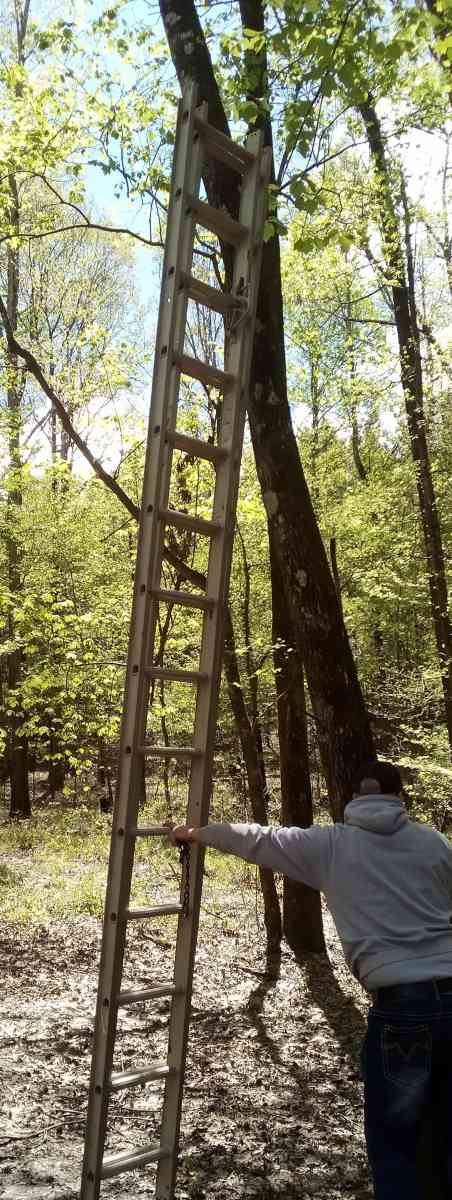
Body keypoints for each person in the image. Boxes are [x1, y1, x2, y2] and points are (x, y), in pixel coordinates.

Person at [168, 759, 452, 1200]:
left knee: (398, 1145)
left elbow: (259, 839)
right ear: (400, 797)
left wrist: (197, 832)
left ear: (352, 800)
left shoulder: (331, 846)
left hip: (401, 1007)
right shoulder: (432, 842)